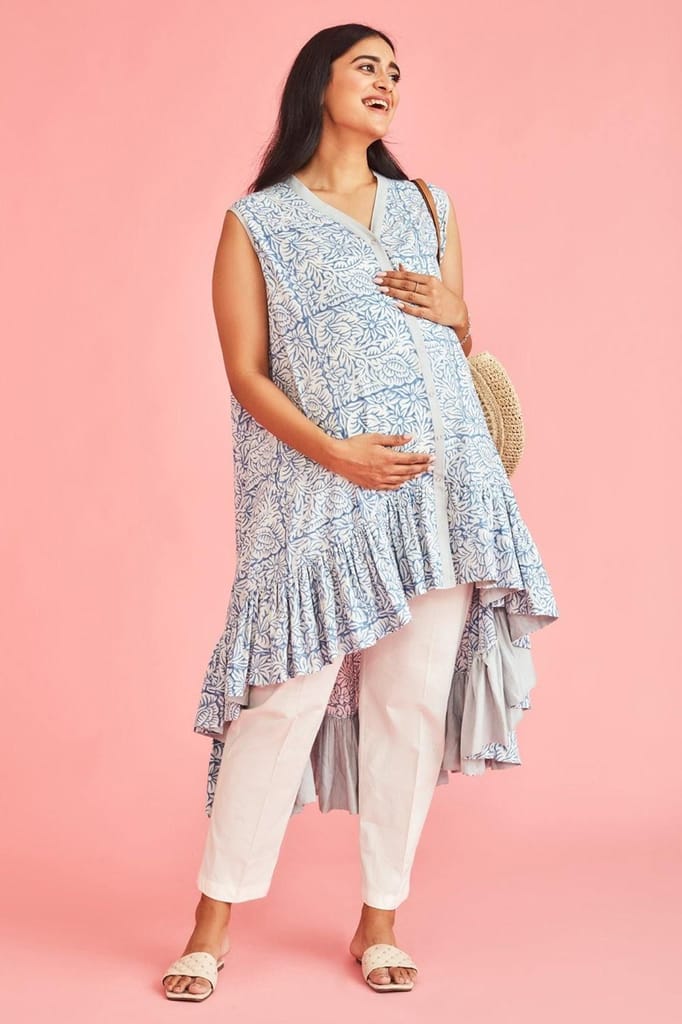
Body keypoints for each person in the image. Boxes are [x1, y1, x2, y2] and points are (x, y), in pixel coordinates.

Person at [162, 22, 559, 1001]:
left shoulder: (429, 204)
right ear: (319, 84)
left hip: (439, 493)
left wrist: (461, 313)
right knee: (281, 703)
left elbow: (452, 343)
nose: (386, 82)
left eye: (395, 72)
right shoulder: (257, 222)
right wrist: (335, 452)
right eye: (366, 67)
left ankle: (380, 920)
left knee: (409, 701)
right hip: (322, 496)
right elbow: (246, 373)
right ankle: (210, 924)